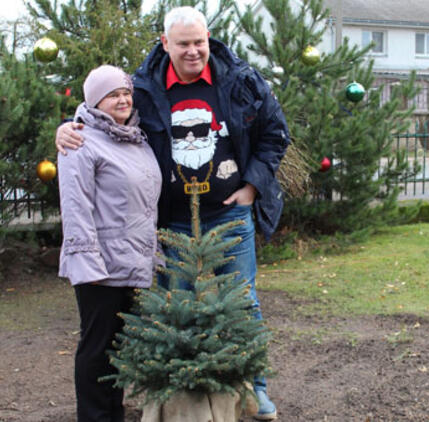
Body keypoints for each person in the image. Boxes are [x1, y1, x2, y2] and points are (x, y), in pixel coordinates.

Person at [56, 6, 290, 421]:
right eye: (183, 43)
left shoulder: (241, 81)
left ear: (209, 38)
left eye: (199, 41)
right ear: (165, 43)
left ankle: (255, 391)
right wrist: (69, 126)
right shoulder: (143, 87)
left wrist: (252, 186)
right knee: (174, 312)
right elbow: (106, 116)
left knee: (245, 304)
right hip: (170, 223)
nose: (194, 51)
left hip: (230, 214)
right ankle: (178, 398)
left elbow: (275, 133)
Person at [57, 65, 162, 422]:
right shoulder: (80, 140)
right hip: (100, 266)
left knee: (116, 349)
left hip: (132, 261)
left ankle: (112, 414)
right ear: (95, 101)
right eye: (112, 94)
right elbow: (76, 207)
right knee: (97, 347)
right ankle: (94, 416)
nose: (122, 100)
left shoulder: (135, 137)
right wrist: (88, 264)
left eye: (125, 93)